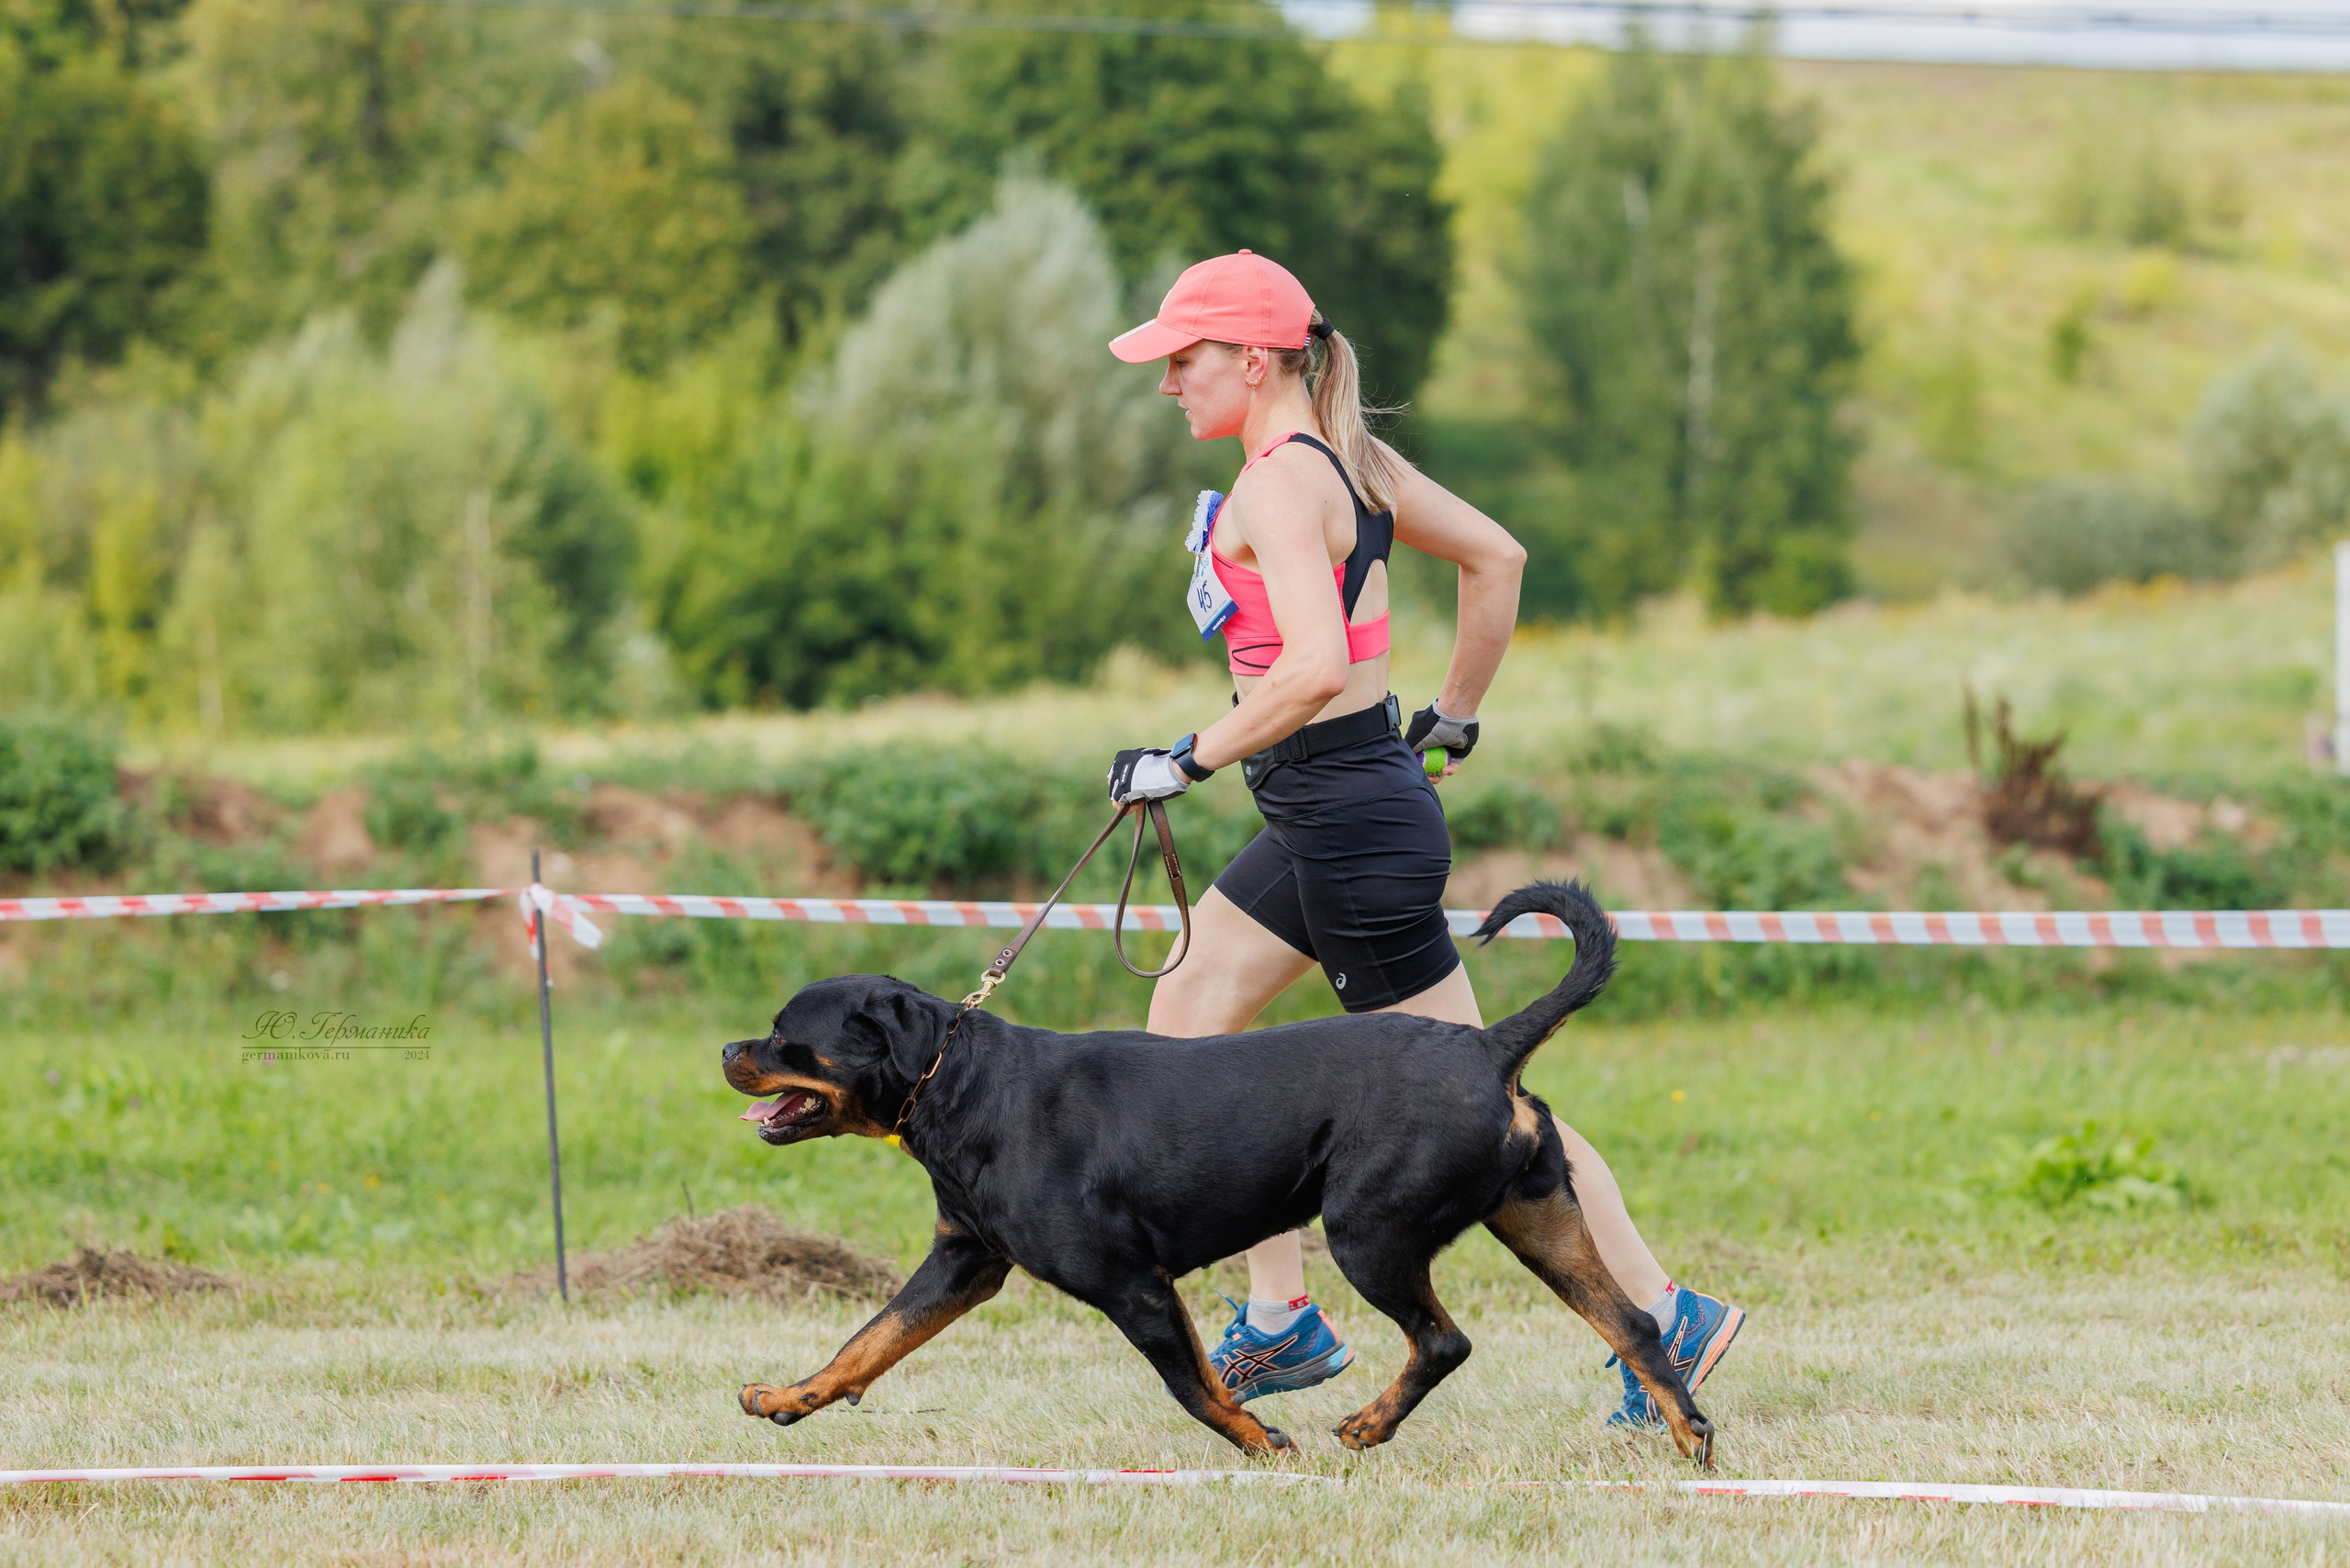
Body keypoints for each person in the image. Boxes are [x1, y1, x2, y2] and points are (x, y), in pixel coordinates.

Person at [1100, 250, 1742, 1433]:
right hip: (1341, 801)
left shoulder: (1284, 484)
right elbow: (1499, 558)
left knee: (1475, 1096)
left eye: (1181, 361)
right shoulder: (1353, 460)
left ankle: (1665, 1311)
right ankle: (1284, 1321)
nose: (1166, 384)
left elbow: (1312, 667)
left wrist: (1183, 757)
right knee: (1187, 1011)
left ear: (1252, 358)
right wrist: (1453, 714)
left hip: (1346, 820)